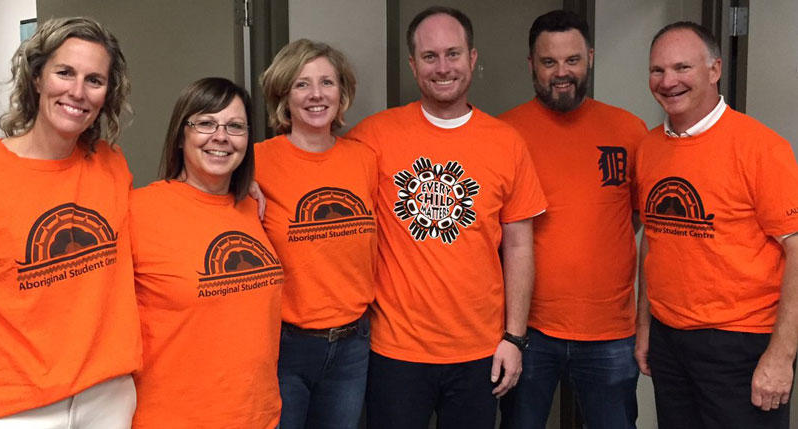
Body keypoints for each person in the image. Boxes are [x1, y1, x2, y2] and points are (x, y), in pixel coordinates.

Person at [0, 17, 141, 427]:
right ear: (36, 78)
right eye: (64, 72)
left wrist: (239, 185)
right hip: (7, 410)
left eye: (94, 80)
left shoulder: (111, 165)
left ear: (108, 94)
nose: (77, 91)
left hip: (109, 398)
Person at [345, 6, 547, 428]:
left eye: (453, 54)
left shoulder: (506, 143)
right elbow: (318, 174)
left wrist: (514, 337)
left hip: (480, 352)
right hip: (395, 351)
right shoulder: (373, 136)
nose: (443, 67)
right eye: (430, 56)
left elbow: (520, 245)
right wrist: (252, 178)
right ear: (413, 64)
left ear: (472, 58)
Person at [634, 21, 798, 428]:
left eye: (682, 68)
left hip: (740, 343)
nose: (668, 81)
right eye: (657, 70)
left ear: (714, 69)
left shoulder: (761, 147)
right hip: (670, 339)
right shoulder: (650, 147)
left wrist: (782, 355)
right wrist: (644, 325)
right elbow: (653, 242)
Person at [497, 10, 647, 429]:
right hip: (527, 330)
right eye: (549, 62)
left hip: (610, 331)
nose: (562, 73)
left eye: (573, 60)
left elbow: (633, 215)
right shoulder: (503, 134)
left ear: (591, 58)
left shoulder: (628, 130)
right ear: (531, 65)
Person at [129, 77, 284, 428]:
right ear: (181, 136)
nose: (221, 136)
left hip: (258, 416)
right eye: (205, 123)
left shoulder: (254, 208)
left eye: (235, 126)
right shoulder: (137, 211)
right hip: (174, 418)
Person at [257, 39, 376, 428]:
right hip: (285, 346)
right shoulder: (254, 161)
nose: (316, 95)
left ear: (341, 93)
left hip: (353, 344)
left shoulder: (364, 159)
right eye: (302, 84)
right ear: (284, 95)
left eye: (327, 82)